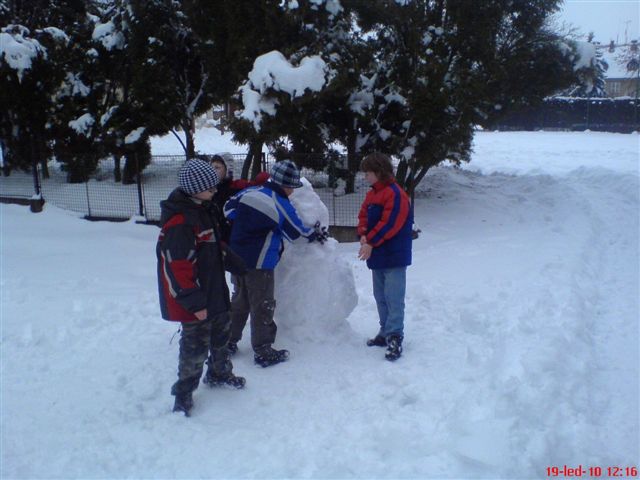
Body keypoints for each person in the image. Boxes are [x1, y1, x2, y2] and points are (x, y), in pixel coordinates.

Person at [156, 159, 248, 417]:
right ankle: (183, 394)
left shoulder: (205, 209)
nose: (215, 191)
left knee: (222, 336)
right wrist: (194, 304)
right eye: (210, 187)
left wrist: (233, 261)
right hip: (194, 299)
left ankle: (219, 373)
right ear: (194, 188)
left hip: (215, 290)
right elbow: (177, 268)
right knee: (194, 348)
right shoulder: (180, 223)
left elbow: (214, 244)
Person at [223, 159, 323, 367]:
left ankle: (228, 342)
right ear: (284, 185)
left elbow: (228, 209)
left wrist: (248, 222)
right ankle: (263, 349)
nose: (293, 192)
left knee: (239, 301)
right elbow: (297, 234)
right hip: (260, 263)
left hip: (236, 258)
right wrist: (315, 235)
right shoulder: (279, 202)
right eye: (291, 188)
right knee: (262, 304)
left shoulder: (249, 193)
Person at [357, 153, 413, 361]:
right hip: (377, 254)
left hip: (394, 256)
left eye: (368, 173)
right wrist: (363, 234)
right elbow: (363, 215)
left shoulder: (396, 194)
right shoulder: (372, 194)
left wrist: (370, 241)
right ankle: (384, 331)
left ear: (379, 172)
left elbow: (390, 224)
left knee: (394, 297)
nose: (365, 177)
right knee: (380, 296)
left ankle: (395, 336)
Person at [208, 154, 270, 245]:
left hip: (232, 239)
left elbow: (257, 186)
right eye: (211, 167)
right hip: (213, 239)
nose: (213, 171)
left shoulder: (237, 187)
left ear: (227, 169)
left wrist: (262, 178)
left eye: (217, 167)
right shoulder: (206, 190)